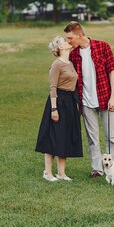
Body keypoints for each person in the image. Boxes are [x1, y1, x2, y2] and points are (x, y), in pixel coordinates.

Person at [64, 21, 114, 178]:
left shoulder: (102, 47)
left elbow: (112, 71)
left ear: (80, 35)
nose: (68, 41)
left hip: (106, 98)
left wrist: (113, 97)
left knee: (111, 137)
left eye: (70, 38)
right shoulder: (73, 55)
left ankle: (113, 169)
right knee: (92, 138)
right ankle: (97, 169)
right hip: (85, 102)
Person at [35, 36, 83, 181]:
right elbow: (53, 87)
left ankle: (61, 173)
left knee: (65, 137)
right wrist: (54, 109)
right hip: (58, 102)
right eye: (63, 40)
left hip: (69, 102)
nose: (67, 41)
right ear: (60, 47)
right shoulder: (56, 64)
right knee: (53, 137)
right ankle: (48, 173)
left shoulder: (70, 63)